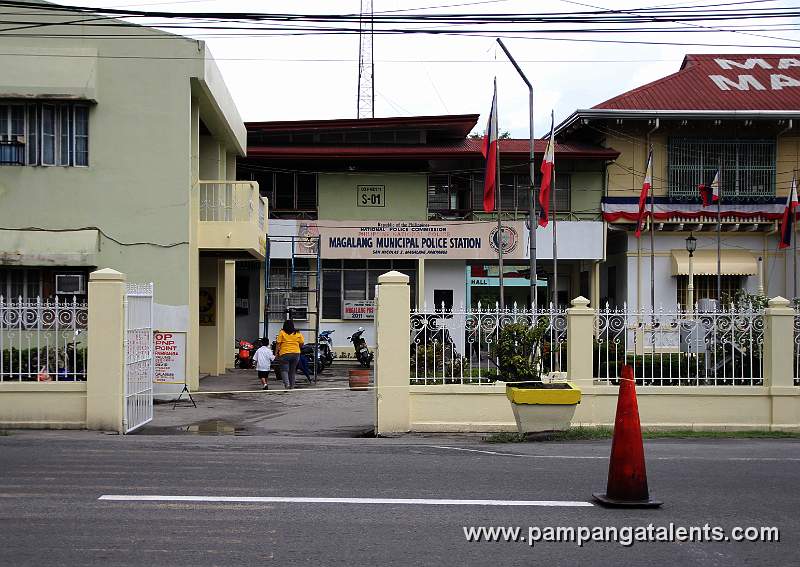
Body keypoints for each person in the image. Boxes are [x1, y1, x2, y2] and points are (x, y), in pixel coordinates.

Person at [276, 319, 304, 389]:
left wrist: (276, 353)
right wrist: (298, 348)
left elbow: (278, 344)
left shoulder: (282, 332)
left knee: (284, 370)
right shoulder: (298, 333)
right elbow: (302, 343)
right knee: (292, 371)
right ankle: (292, 386)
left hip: (285, 353)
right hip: (296, 354)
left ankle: (287, 384)